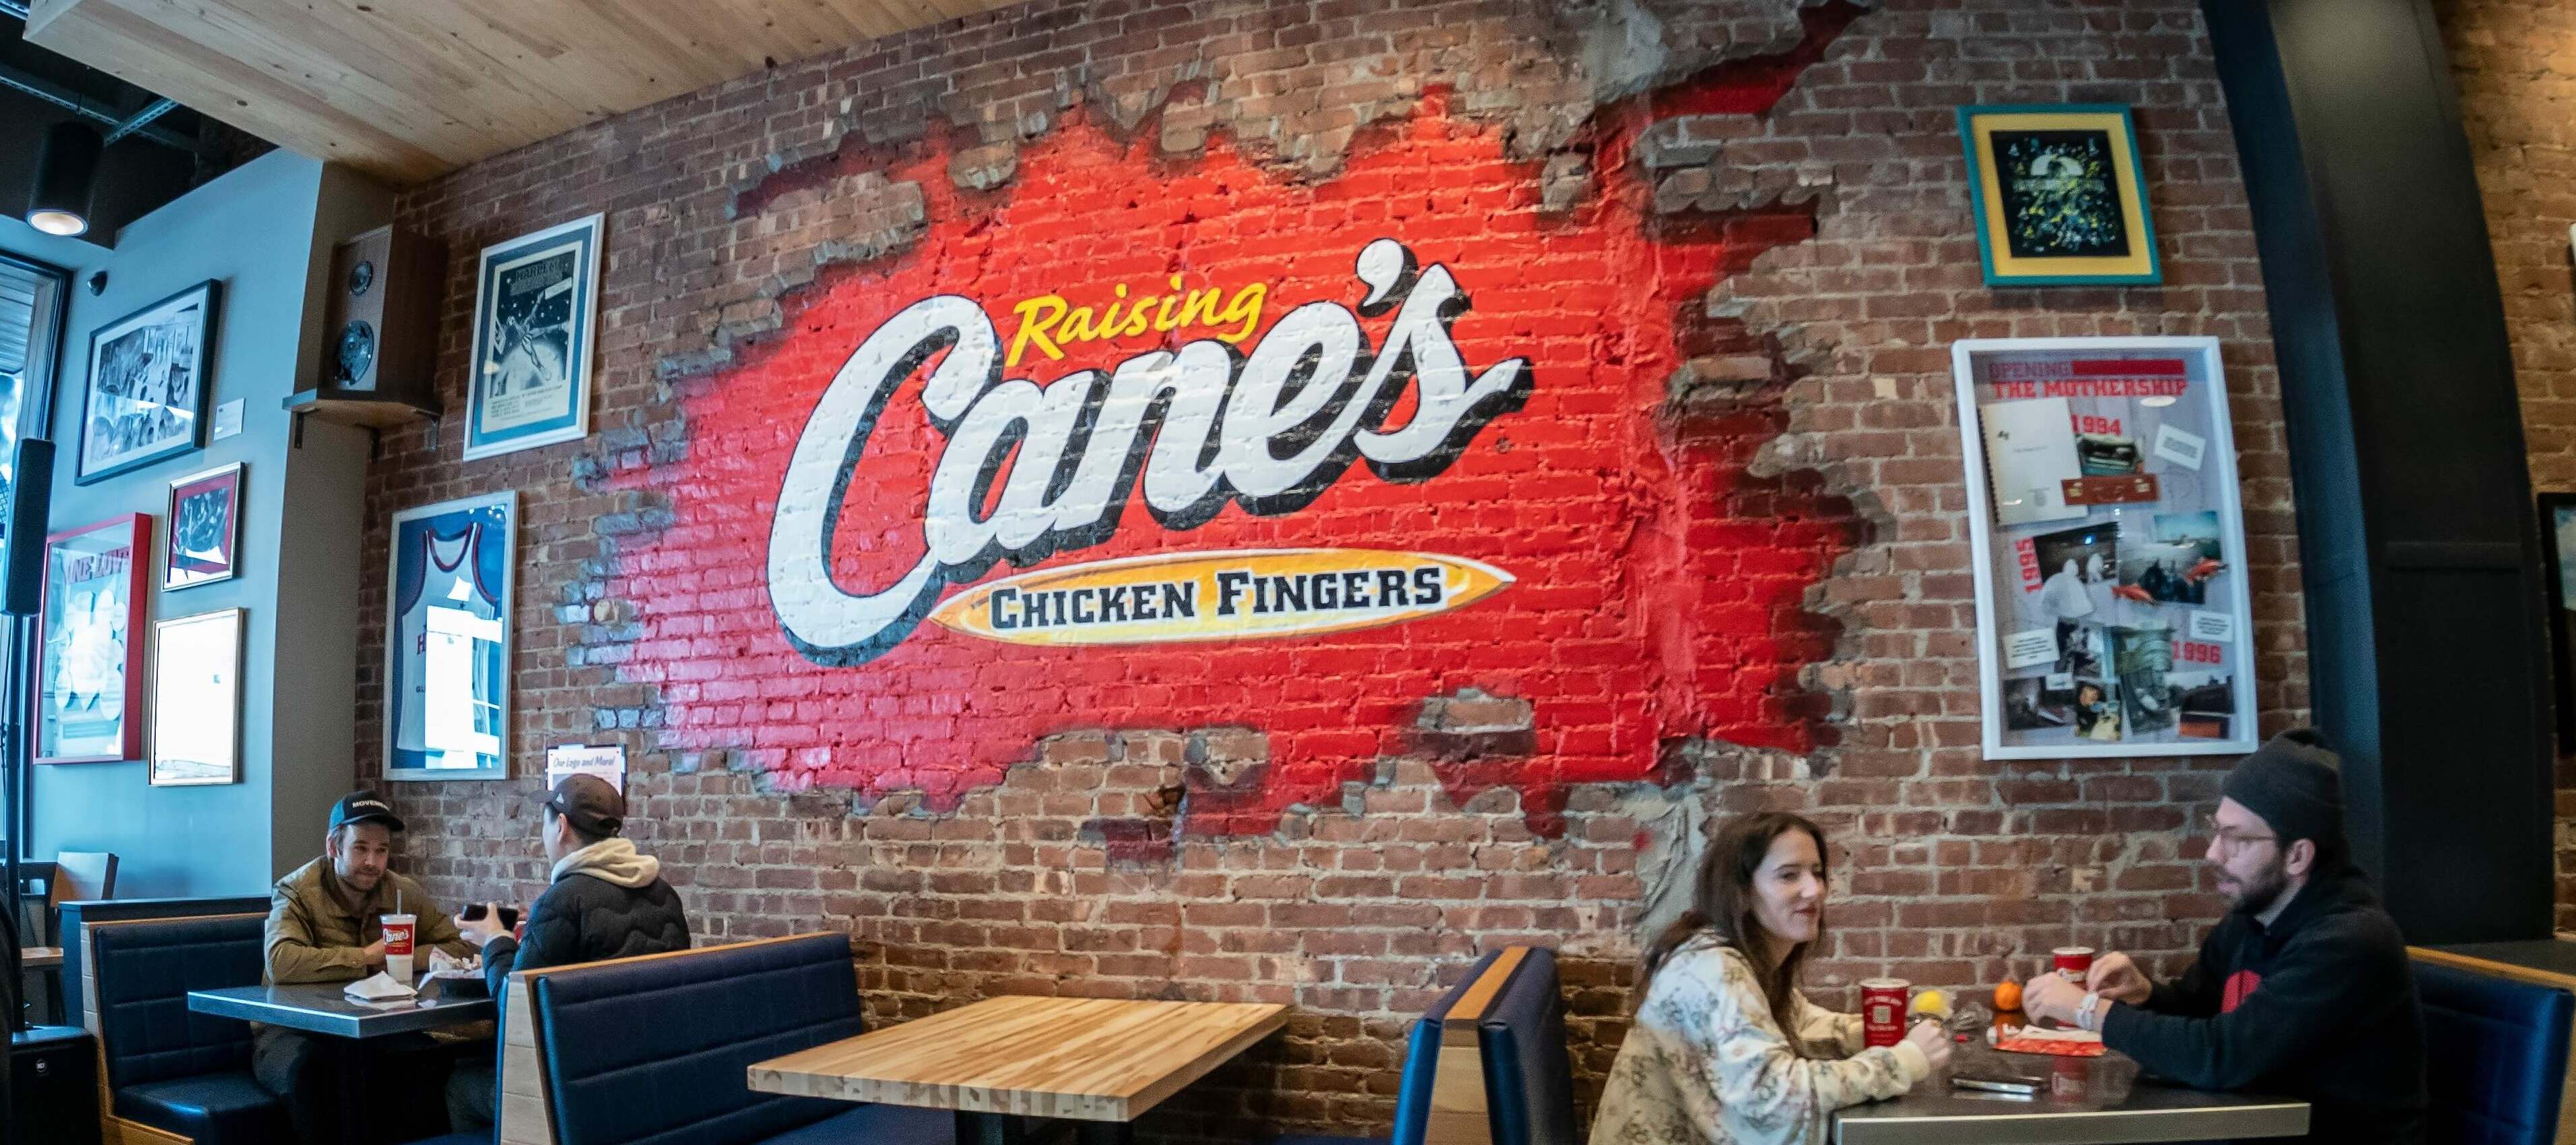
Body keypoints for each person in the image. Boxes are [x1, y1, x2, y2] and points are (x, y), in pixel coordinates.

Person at [2022, 729, 2427, 1144]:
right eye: (2217, 831)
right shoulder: (2254, 918)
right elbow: (2200, 1010)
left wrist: (2088, 1011)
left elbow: (2222, 1055)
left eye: (2236, 839)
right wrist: (2145, 993)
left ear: (2298, 856)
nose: (2213, 853)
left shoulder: (2349, 941)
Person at [1592, 812, 1951, 1145]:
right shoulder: (1713, 967)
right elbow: (1776, 1096)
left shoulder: (1744, 956)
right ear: (1743, 892)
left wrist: (1888, 1032)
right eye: (1789, 875)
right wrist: (1904, 1060)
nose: (1815, 890)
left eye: (1817, 872)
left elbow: (1804, 1025)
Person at [442, 776, 691, 1132]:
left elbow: (516, 1009)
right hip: (653, 1083)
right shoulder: (664, 893)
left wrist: (495, 939)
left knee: (460, 1087)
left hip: (579, 1095)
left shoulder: (564, 901)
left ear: (561, 827)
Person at [254, 791, 472, 1144]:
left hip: (375, 1029)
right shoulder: (296, 891)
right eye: (361, 849)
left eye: (382, 850)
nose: (373, 861)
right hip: (292, 1031)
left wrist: (402, 955)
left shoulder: (403, 892)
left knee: (425, 1061)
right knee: (316, 1073)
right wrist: (367, 956)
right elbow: (281, 962)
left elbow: (458, 947)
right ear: (333, 847)